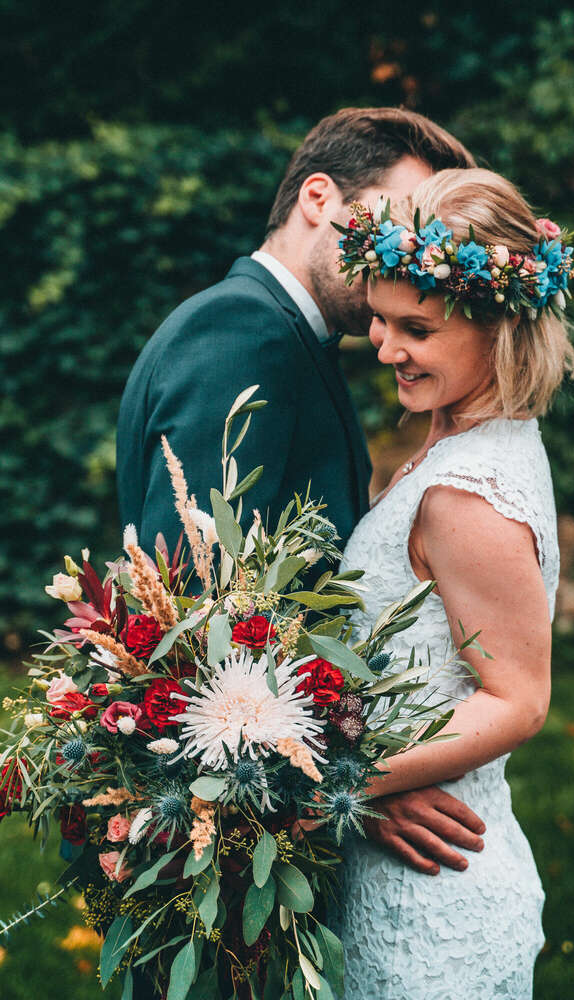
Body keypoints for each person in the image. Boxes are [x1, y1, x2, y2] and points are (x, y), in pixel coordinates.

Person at [115, 108, 486, 913]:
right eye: (395, 225)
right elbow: (196, 609)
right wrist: (345, 785)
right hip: (217, 851)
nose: (406, 256)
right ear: (319, 197)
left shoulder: (292, 336)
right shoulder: (241, 332)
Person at [332, 168, 574, 997]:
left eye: (417, 328)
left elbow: (517, 700)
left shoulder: (465, 496)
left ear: (498, 327)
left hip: (434, 901)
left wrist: (335, 785)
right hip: (414, 868)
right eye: (378, 319)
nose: (385, 348)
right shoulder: (471, 438)